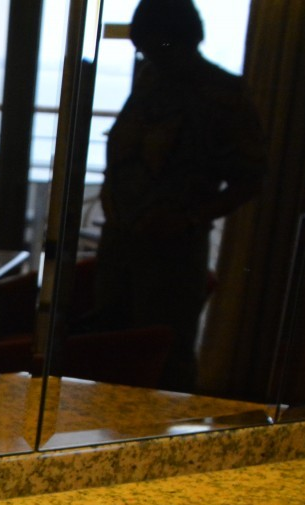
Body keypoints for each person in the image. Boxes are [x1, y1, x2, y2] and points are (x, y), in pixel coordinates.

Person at [90, 0, 265, 393]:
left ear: (183, 41)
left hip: (171, 253)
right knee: (109, 352)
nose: (148, 56)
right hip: (121, 243)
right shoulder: (151, 80)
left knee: (164, 362)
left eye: (156, 47)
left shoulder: (223, 94)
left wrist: (186, 219)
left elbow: (251, 179)